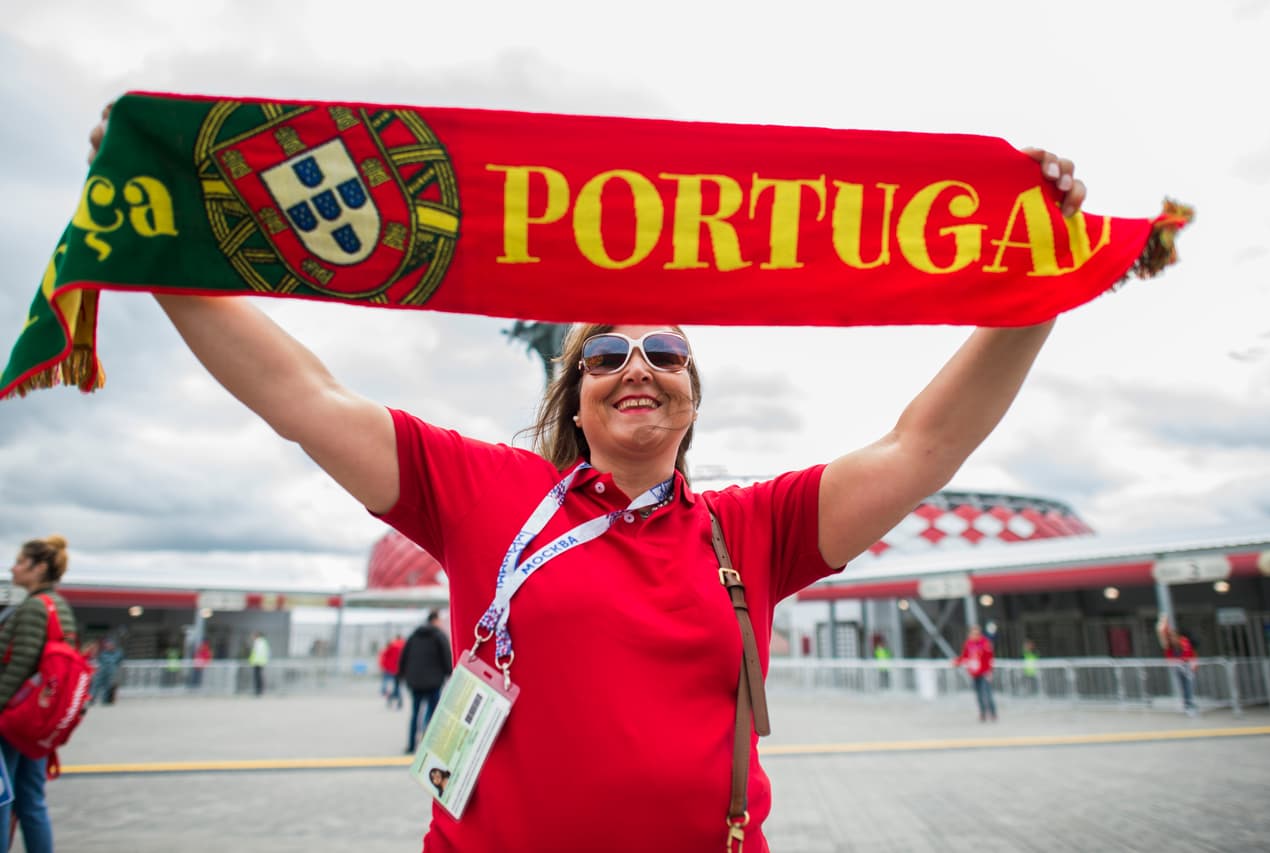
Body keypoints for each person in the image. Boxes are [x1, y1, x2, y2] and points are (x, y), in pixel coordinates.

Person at [86, 107, 1084, 850]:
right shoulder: (484, 492)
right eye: (604, 353)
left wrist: (1040, 288)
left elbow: (923, 446)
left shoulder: (755, 526)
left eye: (664, 351)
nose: (636, 366)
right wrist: (158, 241)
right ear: (574, 397)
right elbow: (303, 397)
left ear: (692, 394)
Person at [0, 535, 79, 853]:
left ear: (40, 568)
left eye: (21, 562)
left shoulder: (34, 607)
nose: (13, 568)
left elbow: (19, 666)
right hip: (40, 718)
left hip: (15, 717)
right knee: (31, 798)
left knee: (3, 797)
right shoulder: (59, 606)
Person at [398, 612, 452, 753]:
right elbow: (446, 658)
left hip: (415, 682)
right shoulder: (439, 637)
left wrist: (402, 676)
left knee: (415, 714)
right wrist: (450, 674)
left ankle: (411, 745)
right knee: (433, 715)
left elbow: (404, 658)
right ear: (435, 620)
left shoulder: (413, 636)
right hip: (434, 682)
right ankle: (428, 746)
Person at [954, 625, 997, 721]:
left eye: (976, 634)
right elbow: (964, 656)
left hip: (985, 673)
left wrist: (989, 672)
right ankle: (983, 714)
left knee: (987, 694)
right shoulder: (968, 644)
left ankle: (993, 713)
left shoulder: (985, 643)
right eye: (972, 634)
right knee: (979, 695)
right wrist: (956, 662)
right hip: (974, 673)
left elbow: (989, 658)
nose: (974, 636)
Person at [1157, 614, 1198, 716]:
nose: (1173, 638)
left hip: (1187, 666)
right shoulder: (1169, 645)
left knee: (1189, 685)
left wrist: (1194, 663)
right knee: (1184, 686)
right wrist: (1163, 620)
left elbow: (1192, 653)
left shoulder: (1184, 642)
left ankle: (1190, 704)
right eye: (1171, 637)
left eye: (1174, 636)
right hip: (1178, 668)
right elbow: (1161, 631)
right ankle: (1187, 704)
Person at [91, 635, 124, 705]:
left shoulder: (118, 653)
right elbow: (98, 660)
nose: (109, 646)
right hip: (101, 672)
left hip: (111, 672)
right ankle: (91, 699)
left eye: (110, 645)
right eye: (107, 645)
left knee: (107, 686)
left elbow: (118, 661)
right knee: (96, 685)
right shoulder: (102, 653)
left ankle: (105, 700)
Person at [378, 634, 405, 710]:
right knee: (397, 686)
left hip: (390, 669)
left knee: (389, 686)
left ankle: (389, 699)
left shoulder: (392, 645)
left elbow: (384, 655)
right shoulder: (405, 645)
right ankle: (399, 701)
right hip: (399, 670)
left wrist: (383, 666)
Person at [247, 631, 270, 696]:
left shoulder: (258, 642)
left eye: (253, 636)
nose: (252, 637)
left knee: (257, 677)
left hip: (257, 662)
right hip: (261, 661)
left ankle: (257, 691)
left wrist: (251, 660)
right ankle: (259, 691)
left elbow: (255, 652)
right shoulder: (264, 642)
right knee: (259, 676)